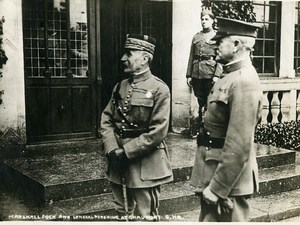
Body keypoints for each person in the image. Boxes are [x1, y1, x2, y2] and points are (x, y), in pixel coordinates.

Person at [190, 17, 263, 222]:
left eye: (220, 41)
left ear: (237, 44)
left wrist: (217, 188)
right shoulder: (230, 75)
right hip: (215, 171)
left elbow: (239, 144)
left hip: (229, 183)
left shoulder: (244, 80)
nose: (215, 45)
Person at [100, 34, 173, 221]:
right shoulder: (119, 86)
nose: (123, 59)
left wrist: (126, 151)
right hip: (117, 161)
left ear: (145, 58)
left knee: (146, 214)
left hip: (145, 164)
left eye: (129, 54)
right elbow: (106, 119)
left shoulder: (160, 89)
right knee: (122, 212)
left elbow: (159, 131)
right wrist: (111, 148)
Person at [186, 9, 223, 137]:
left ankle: (208, 128)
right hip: (197, 73)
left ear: (213, 21)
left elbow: (220, 58)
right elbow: (191, 56)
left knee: (209, 102)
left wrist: (217, 75)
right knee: (199, 101)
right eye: (202, 19)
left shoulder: (217, 36)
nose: (204, 21)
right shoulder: (196, 36)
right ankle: (198, 126)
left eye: (207, 19)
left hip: (210, 74)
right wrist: (189, 75)